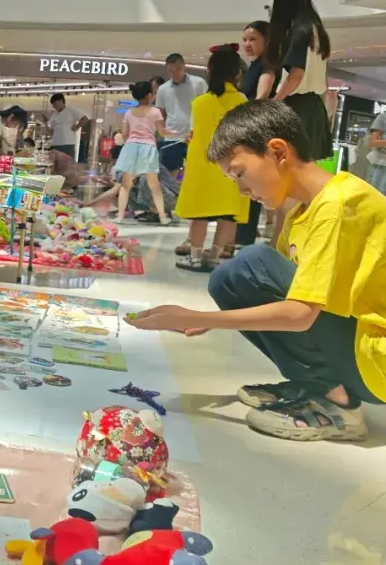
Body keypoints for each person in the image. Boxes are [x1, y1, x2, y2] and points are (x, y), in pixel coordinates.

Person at [128, 100, 385, 442]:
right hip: (358, 348)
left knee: (250, 265)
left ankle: (339, 406)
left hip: (376, 360)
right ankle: (317, 383)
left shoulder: (338, 206)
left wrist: (197, 317)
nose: (242, 191)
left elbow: (300, 314)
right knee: (231, 278)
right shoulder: (305, 212)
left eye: (239, 174)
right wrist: (207, 319)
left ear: (278, 151)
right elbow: (280, 295)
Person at [173, 47, 250, 271]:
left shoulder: (200, 103)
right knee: (227, 215)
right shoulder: (242, 101)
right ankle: (214, 257)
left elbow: (193, 134)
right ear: (236, 73)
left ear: (210, 71)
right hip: (232, 167)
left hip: (203, 167)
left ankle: (195, 256)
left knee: (199, 214)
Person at [266, 0, 333, 162]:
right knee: (306, 165)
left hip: (296, 108)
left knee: (287, 164)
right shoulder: (316, 30)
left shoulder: (299, 32)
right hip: (314, 107)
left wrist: (276, 102)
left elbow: (296, 75)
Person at [234, 20, 277, 247]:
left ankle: (244, 240)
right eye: (245, 40)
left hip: (256, 131)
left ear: (266, 41)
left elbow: (261, 100)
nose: (247, 44)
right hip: (250, 129)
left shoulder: (267, 66)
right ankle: (240, 238)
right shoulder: (255, 66)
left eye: (253, 39)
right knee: (247, 185)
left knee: (251, 185)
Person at [111, 81, 176, 224]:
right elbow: (162, 132)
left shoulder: (129, 113)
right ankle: (162, 217)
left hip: (130, 147)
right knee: (154, 185)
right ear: (149, 95)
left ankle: (120, 216)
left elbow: (125, 134)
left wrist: (131, 142)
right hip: (148, 148)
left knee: (125, 185)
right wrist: (177, 134)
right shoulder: (155, 112)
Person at [155, 53, 207, 171]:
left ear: (184, 66)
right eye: (171, 71)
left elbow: (207, 107)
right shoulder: (163, 89)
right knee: (170, 174)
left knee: (196, 171)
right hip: (172, 138)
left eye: (178, 69)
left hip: (195, 137)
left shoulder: (199, 83)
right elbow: (160, 113)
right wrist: (161, 130)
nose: (175, 73)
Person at [46, 93, 90, 158]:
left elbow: (85, 118)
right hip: (55, 143)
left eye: (55, 104)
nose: (54, 106)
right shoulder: (54, 114)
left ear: (61, 101)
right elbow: (51, 130)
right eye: (53, 105)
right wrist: (46, 125)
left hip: (67, 143)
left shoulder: (71, 109)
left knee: (67, 162)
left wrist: (77, 126)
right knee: (57, 162)